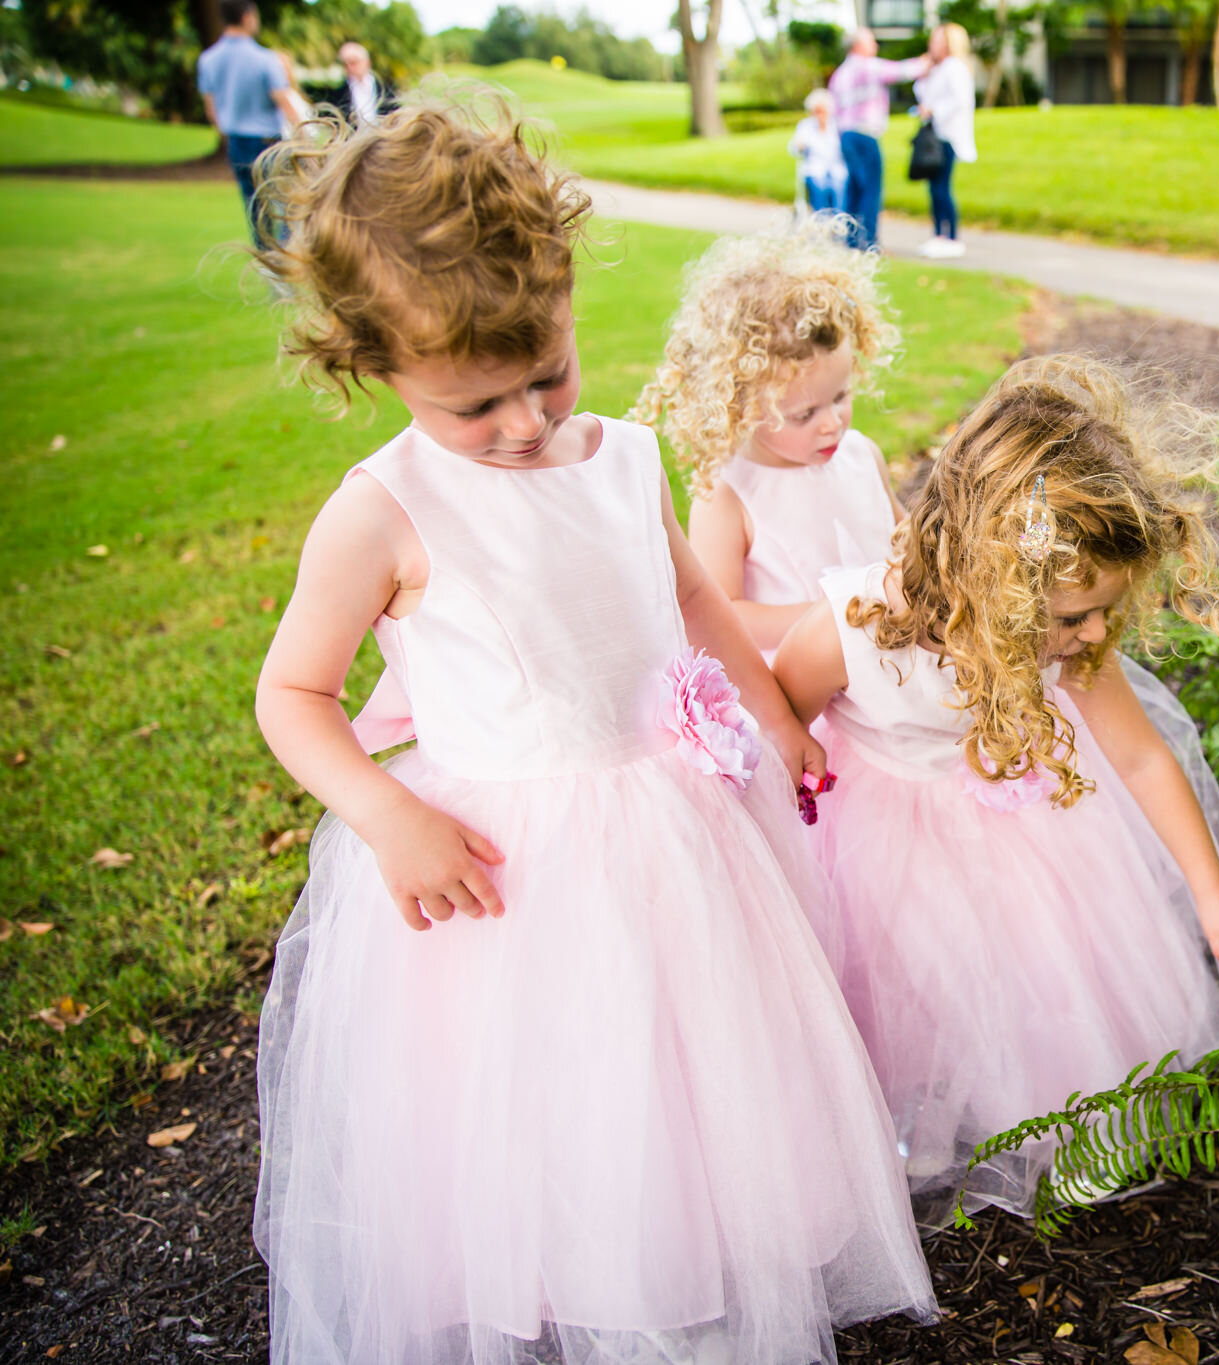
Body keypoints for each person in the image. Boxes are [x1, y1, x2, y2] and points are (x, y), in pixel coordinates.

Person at [247, 103, 935, 1363]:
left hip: (670, 825)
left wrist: (776, 715)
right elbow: (291, 696)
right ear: (370, 367)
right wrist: (387, 813)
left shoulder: (623, 459)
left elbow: (689, 600)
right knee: (544, 1090)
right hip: (504, 866)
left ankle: (680, 1259)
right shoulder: (382, 512)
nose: (520, 420)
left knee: (680, 1067)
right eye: (473, 404)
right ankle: (564, 1279)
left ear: (565, 300)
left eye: (545, 373)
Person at [772, 355, 1219, 1215]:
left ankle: (1060, 1119)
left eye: (1104, 609)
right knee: (907, 987)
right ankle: (912, 1119)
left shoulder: (1075, 642)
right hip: (883, 840)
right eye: (1072, 617)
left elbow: (1138, 757)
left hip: (1031, 835)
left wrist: (1211, 888)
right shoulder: (854, 627)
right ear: (991, 576)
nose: (1098, 632)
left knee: (1043, 978)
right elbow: (782, 716)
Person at [631, 220, 904, 657]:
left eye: (840, 397)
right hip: (798, 686)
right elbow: (723, 613)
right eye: (803, 415)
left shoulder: (860, 455)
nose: (832, 422)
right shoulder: (727, 495)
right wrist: (844, 615)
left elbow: (902, 537)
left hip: (886, 665)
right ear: (741, 404)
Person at [196, 0, 294, 244]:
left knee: (255, 211)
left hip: (236, 143)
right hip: (267, 142)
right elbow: (282, 99)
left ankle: (269, 268)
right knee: (286, 208)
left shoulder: (208, 59)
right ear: (248, 17)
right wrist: (306, 136)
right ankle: (285, 268)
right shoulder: (265, 59)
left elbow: (212, 110)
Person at [828, 28, 928, 252]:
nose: (875, 46)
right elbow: (901, 70)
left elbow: (834, 109)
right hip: (864, 134)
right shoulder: (866, 66)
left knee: (854, 187)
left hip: (846, 136)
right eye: (871, 42)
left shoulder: (840, 73)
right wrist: (925, 62)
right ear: (858, 45)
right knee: (871, 189)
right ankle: (869, 241)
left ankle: (851, 239)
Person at [911, 23, 977, 259]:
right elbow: (922, 92)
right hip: (936, 136)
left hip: (947, 137)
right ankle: (939, 233)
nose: (932, 44)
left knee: (942, 188)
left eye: (937, 40)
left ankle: (951, 236)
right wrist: (924, 71)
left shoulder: (955, 68)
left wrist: (934, 111)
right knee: (935, 188)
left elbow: (959, 101)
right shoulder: (939, 69)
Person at [788, 89, 848, 216]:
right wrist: (799, 146)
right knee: (819, 185)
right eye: (816, 111)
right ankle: (821, 222)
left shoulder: (837, 126)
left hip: (837, 169)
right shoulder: (806, 126)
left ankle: (838, 223)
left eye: (821, 111)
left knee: (838, 187)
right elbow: (793, 148)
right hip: (815, 169)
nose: (819, 115)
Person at [338, 40, 395, 126]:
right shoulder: (340, 93)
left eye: (353, 62)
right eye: (345, 64)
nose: (350, 68)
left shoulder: (386, 87)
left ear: (367, 62)